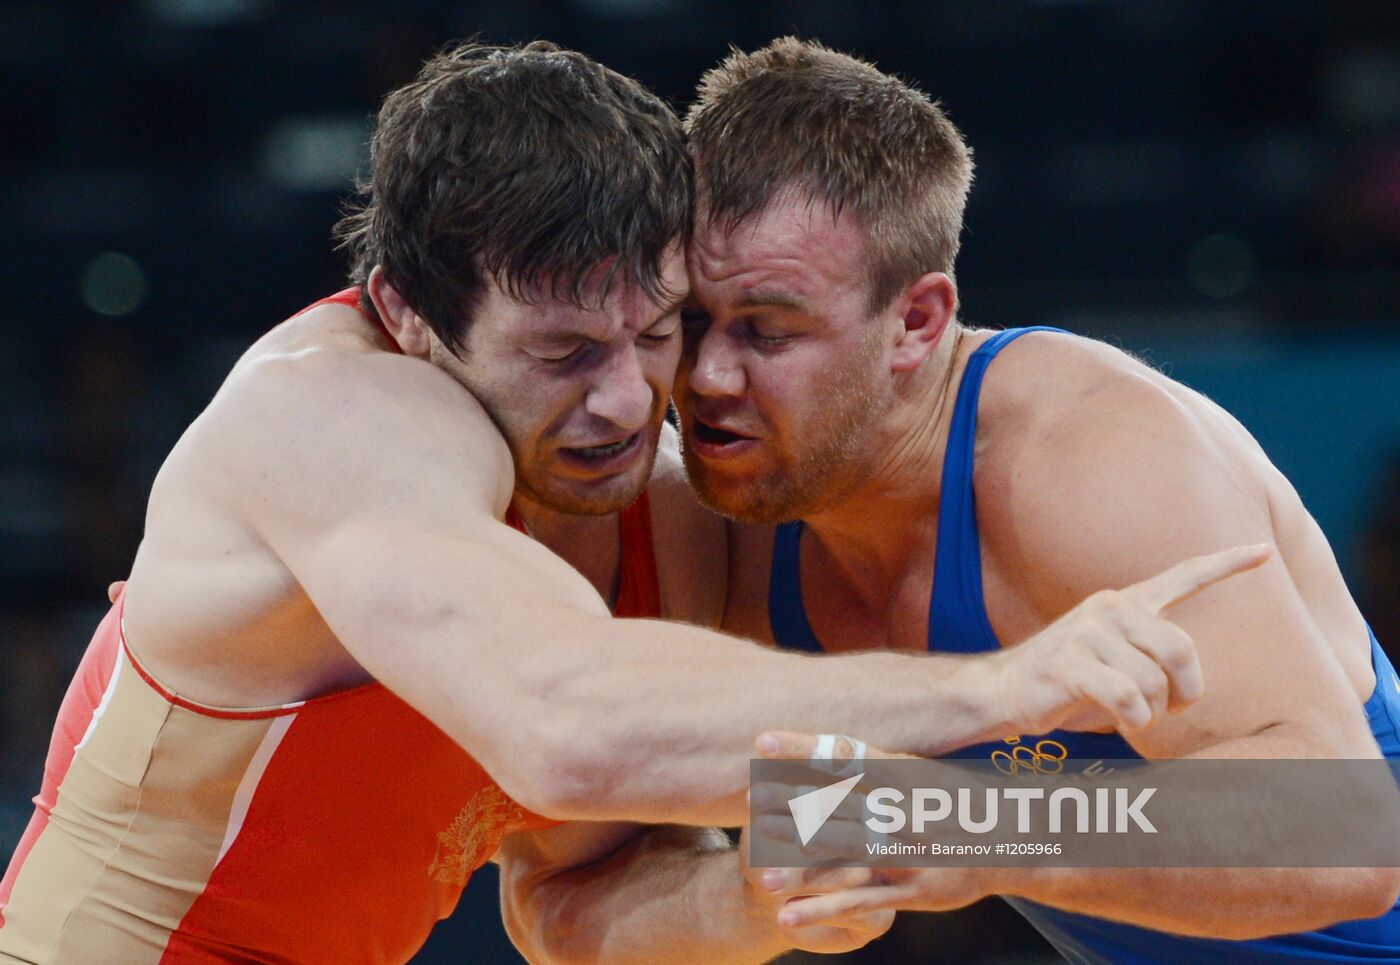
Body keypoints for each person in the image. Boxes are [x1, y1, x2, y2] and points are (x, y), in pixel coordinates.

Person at [0, 40, 1244, 965]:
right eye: (556, 355)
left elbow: (565, 899)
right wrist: (998, 694)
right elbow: (568, 731)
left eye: (653, 331)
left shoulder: (666, 511)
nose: (621, 401)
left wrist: (756, 901)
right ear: (406, 315)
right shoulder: (328, 422)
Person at [505, 36, 1400, 965]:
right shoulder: (714, 523)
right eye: (687, 323)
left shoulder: (1084, 459)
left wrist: (965, 825)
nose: (711, 377)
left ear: (918, 321)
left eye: (769, 331)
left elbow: (1352, 832)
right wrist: (748, 904)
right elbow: (552, 901)